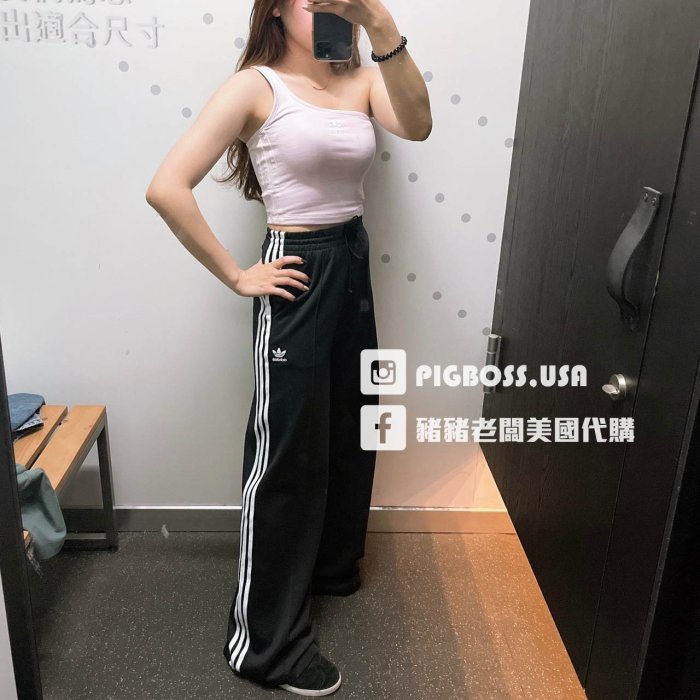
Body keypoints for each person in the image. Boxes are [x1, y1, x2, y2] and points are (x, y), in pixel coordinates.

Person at [146, 0, 431, 695]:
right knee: (287, 454)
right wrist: (237, 274)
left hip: (352, 259)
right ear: (276, 11)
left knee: (352, 426)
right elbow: (166, 187)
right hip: (298, 268)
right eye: (313, 0)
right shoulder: (255, 86)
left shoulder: (361, 79)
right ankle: (264, 646)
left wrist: (380, 24)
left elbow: (419, 125)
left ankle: (329, 568)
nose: (330, 10)